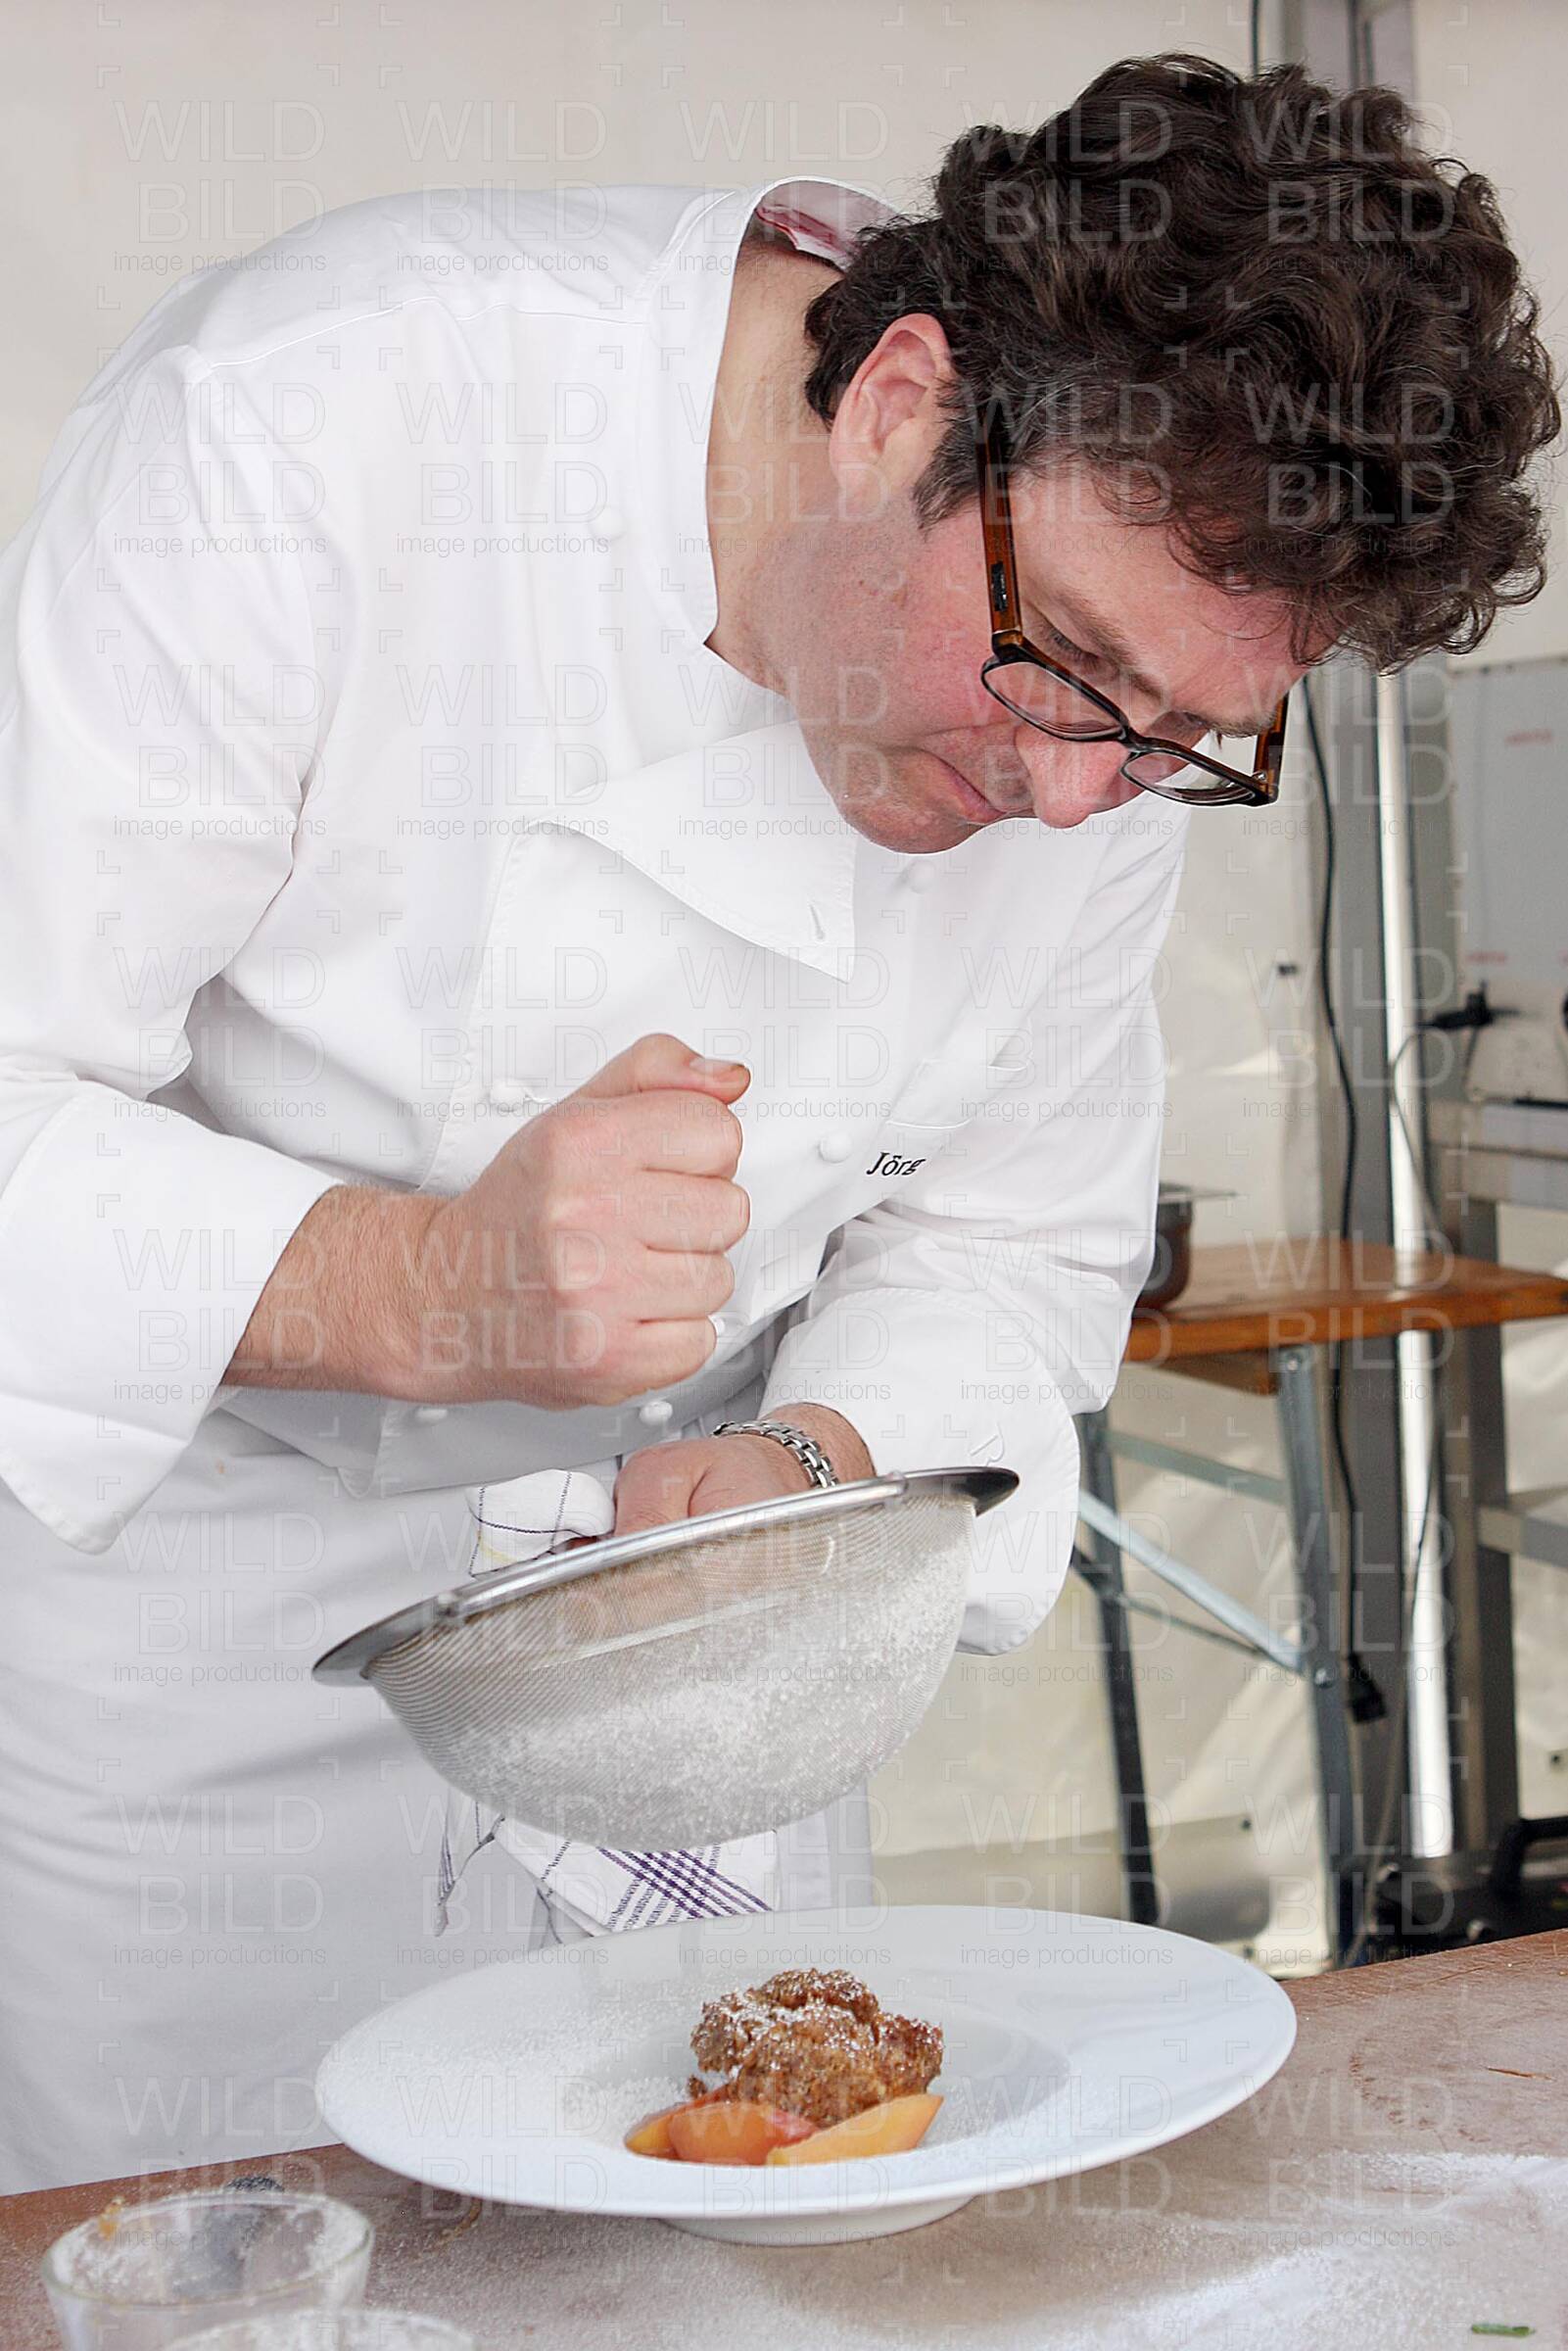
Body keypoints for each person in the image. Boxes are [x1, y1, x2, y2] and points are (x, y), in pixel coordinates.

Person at [0, 53, 1555, 2191]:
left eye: (1185, 740)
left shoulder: (1104, 721)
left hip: (717, 1637)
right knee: (225, 2253)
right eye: (1063, 669)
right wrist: (416, 1286)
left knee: (732, 2231)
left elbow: (1007, 1238)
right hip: (208, 1611)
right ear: (901, 405)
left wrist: (807, 1478)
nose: (1078, 799)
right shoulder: (316, 421)